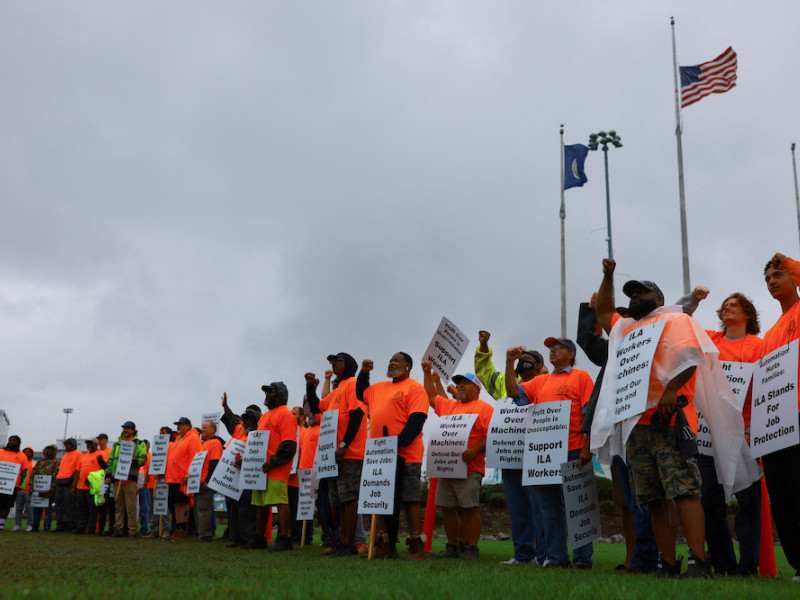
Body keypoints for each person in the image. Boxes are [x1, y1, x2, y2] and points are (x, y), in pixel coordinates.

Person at [592, 259, 711, 578]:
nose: (635, 298)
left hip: (669, 419)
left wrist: (672, 388)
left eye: (642, 293)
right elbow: (603, 310)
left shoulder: (674, 319)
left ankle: (700, 562)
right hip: (636, 426)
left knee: (684, 490)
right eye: (631, 295)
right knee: (654, 496)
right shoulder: (625, 326)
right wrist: (608, 276)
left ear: (659, 299)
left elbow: (691, 354)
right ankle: (668, 564)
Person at [505, 337, 594, 569]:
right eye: (551, 348)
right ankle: (556, 559)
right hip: (545, 453)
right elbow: (514, 392)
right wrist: (508, 362)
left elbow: (589, 413)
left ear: (571, 355)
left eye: (559, 348)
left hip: (575, 449)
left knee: (578, 505)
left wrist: (587, 447)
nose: (553, 351)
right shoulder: (541, 381)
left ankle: (583, 561)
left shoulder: (581, 377)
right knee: (548, 507)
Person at [474, 330, 548, 565]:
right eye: (521, 361)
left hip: (538, 454)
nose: (525, 363)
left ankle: (543, 554)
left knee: (540, 506)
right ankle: (523, 555)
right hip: (510, 454)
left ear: (540, 367)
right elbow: (485, 374)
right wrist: (484, 347)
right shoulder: (505, 384)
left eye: (530, 360)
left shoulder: (547, 383)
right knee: (517, 507)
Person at [358, 352, 429, 559]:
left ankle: (416, 543)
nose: (391, 362)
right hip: (380, 455)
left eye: (397, 360)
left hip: (407, 454)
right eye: (390, 359)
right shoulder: (379, 388)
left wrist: (399, 442)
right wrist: (364, 372)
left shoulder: (414, 388)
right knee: (380, 499)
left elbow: (417, 419)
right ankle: (385, 544)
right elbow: (360, 392)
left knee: (409, 499)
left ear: (408, 366)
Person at [422, 363, 494, 561]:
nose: (460, 385)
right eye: (459, 383)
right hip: (447, 468)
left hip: (470, 469)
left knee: (469, 508)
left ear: (477, 388)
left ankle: (472, 548)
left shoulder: (484, 408)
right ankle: (453, 546)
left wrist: (475, 450)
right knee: (447, 508)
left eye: (465, 383)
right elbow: (430, 397)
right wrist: (427, 373)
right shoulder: (450, 405)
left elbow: (492, 435)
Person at [761, 253, 800, 580]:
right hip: (774, 422)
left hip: (799, 413)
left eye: (778, 275)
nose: (772, 281)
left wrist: (788, 261)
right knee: (782, 493)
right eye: (768, 278)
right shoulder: (770, 334)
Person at [306, 352, 368, 557]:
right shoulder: (338, 389)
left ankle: (350, 544)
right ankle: (342, 543)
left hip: (348, 454)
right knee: (338, 500)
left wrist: (344, 444)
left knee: (349, 499)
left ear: (348, 364)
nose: (333, 364)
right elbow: (317, 407)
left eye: (337, 361)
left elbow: (358, 414)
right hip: (334, 455)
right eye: (332, 362)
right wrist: (310, 387)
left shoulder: (353, 384)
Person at [245, 381, 298, 551]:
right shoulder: (266, 416)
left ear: (281, 394)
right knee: (261, 505)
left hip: (276, 468)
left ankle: (284, 539)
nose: (267, 395)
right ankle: (260, 538)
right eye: (266, 392)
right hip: (261, 469)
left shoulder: (286, 415)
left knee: (280, 502)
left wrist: (273, 461)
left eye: (271, 392)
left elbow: (289, 445)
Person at [220, 398, 260, 548]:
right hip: (234, 477)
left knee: (247, 509)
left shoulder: (259, 434)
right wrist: (226, 407)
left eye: (251, 418)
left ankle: (248, 538)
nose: (247, 421)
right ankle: (236, 538)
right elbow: (231, 421)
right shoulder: (239, 431)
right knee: (235, 509)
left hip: (249, 477)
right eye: (245, 418)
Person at [105, 421, 148, 538]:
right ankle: (118, 529)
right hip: (117, 479)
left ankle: (132, 531)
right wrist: (108, 476)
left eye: (128, 429)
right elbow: (110, 462)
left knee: (131, 507)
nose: (126, 430)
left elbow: (143, 458)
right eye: (124, 428)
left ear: (133, 430)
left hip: (130, 479)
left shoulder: (139, 444)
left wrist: (134, 462)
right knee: (118, 507)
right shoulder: (116, 445)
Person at [164, 417, 202, 541]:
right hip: (172, 477)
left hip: (182, 477)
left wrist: (188, 474)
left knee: (183, 504)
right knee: (174, 504)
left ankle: (182, 530)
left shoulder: (193, 438)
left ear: (188, 426)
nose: (178, 427)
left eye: (181, 425)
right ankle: (177, 529)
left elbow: (194, 458)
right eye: (177, 424)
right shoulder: (178, 439)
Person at [194, 421, 224, 542]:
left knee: (204, 509)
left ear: (213, 430)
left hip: (205, 482)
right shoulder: (204, 443)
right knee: (199, 510)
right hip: (198, 482)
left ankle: (206, 535)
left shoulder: (215, 443)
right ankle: (202, 533)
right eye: (202, 427)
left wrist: (208, 480)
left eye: (205, 427)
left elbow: (214, 463)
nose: (202, 430)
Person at [73, 437, 105, 534]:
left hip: (92, 487)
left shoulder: (101, 454)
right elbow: (78, 471)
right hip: (80, 487)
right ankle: (80, 527)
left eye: (90, 443)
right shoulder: (84, 456)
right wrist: (73, 486)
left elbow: (105, 470)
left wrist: (92, 479)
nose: (88, 445)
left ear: (96, 444)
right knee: (80, 508)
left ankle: (91, 528)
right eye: (87, 443)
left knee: (92, 509)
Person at [53, 437, 82, 532]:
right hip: (60, 482)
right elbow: (60, 468)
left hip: (69, 483)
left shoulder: (78, 454)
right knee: (59, 505)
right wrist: (56, 479)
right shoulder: (65, 455)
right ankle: (59, 524)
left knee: (68, 505)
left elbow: (77, 470)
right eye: (65, 444)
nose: (66, 446)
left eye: (68, 444)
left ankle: (68, 525)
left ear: (73, 444)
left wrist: (71, 480)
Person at [0, 435, 28, 530]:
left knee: (6, 505)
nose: (11, 442)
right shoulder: (1, 452)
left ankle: (2, 523)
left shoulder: (22, 456)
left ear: (18, 442)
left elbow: (25, 472)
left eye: (14, 440)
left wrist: (21, 485)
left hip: (12, 486)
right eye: (10, 440)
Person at [29, 445, 59, 532]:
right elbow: (33, 474)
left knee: (48, 509)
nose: (49, 452)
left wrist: (53, 486)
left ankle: (47, 526)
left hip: (49, 489)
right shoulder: (41, 462)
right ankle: (35, 525)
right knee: (36, 508)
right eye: (47, 450)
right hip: (37, 489)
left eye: (51, 450)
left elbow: (56, 475)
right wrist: (31, 485)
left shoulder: (56, 462)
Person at [13, 447, 34, 531]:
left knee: (29, 508)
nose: (26, 453)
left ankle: (30, 524)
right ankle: (18, 524)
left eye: (29, 452)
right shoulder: (19, 463)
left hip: (29, 489)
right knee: (18, 508)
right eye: (25, 451)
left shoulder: (34, 463)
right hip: (19, 489)